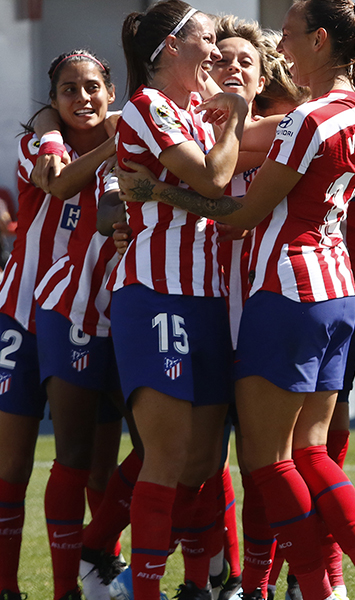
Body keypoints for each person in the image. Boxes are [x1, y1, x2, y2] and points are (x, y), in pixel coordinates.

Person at [118, 2, 355, 600]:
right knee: (303, 450)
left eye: (288, 32)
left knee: (266, 458)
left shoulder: (308, 120)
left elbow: (238, 209)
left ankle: (321, 586)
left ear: (321, 39)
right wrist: (230, 114)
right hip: (336, 290)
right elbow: (242, 146)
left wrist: (155, 193)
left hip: (286, 288)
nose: (280, 42)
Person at [108, 2, 248, 599]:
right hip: (155, 294)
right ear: (170, 46)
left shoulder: (198, 105)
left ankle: (197, 586)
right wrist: (237, 120)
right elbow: (217, 182)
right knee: (166, 457)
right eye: (208, 40)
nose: (217, 51)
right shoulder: (147, 106)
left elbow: (225, 203)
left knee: (203, 462)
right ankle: (141, 589)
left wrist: (162, 190)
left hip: (207, 298)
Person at [0, 49, 120, 600]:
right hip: (20, 314)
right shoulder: (38, 145)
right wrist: (111, 141)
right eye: (68, 90)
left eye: (92, 86)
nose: (82, 97)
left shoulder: (135, 147)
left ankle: (79, 584)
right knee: (11, 463)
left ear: (111, 92)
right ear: (52, 101)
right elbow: (57, 185)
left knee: (89, 459)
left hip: (88, 315)